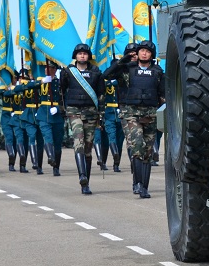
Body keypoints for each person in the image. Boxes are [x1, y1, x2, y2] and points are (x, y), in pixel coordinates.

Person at [104, 40, 164, 198]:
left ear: (152, 54)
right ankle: (137, 183)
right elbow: (107, 75)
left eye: (147, 51)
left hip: (150, 114)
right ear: (136, 54)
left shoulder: (157, 71)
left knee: (148, 153)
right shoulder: (127, 70)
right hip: (131, 113)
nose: (144, 53)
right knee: (137, 147)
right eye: (141, 50)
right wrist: (122, 60)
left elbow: (164, 93)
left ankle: (144, 186)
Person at [60, 43, 104, 195]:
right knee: (78, 142)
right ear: (75, 56)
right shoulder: (68, 72)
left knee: (87, 149)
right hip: (74, 112)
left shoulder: (96, 72)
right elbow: (62, 90)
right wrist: (62, 108)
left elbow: (101, 94)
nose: (82, 56)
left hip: (91, 113)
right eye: (79, 54)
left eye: (85, 53)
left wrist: (102, 114)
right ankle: (82, 176)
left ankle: (86, 184)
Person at [36, 60, 65, 176]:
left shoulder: (60, 83)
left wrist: (59, 108)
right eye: (46, 68)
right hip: (43, 115)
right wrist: (43, 81)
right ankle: (50, 157)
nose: (47, 70)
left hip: (57, 116)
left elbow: (66, 100)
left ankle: (56, 167)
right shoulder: (41, 81)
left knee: (58, 143)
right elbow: (27, 88)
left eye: (51, 68)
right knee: (47, 137)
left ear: (55, 70)